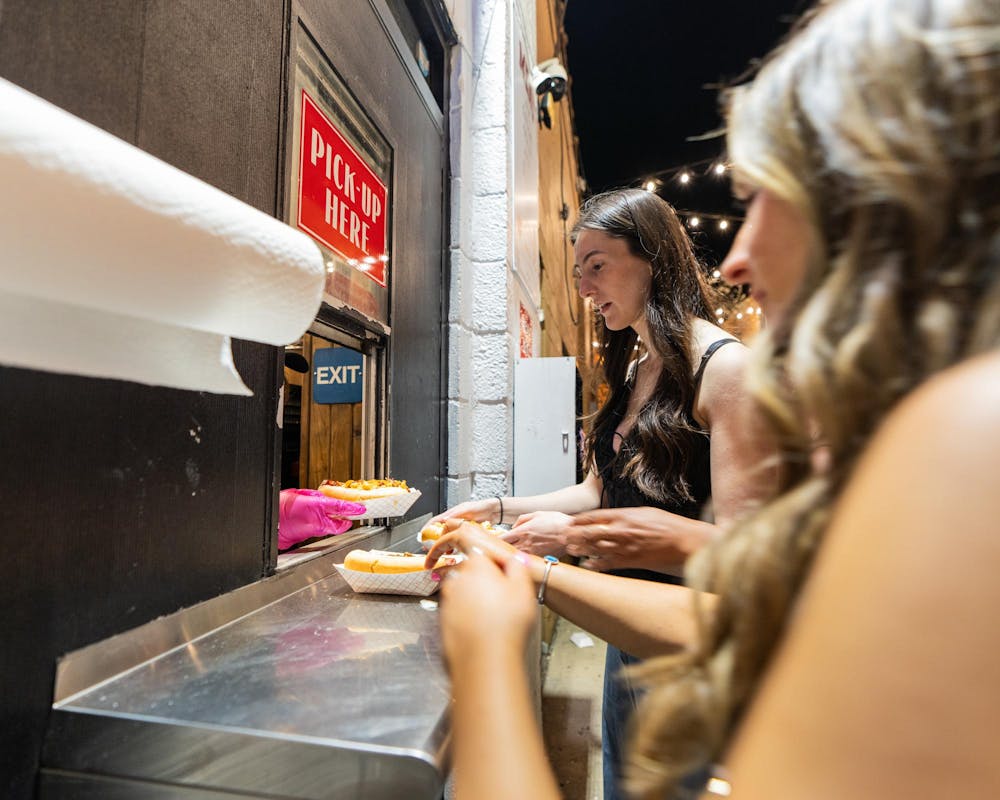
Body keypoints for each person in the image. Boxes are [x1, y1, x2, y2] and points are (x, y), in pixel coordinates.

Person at [426, 0, 1000, 797]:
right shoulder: (643, 373)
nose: (735, 257)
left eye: (769, 192)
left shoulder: (962, 440)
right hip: (635, 629)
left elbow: (732, 589)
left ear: (882, 195)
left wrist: (491, 644)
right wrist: (511, 529)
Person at [431, 188, 772, 798]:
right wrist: (503, 507)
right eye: (578, 271)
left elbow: (744, 559)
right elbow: (599, 489)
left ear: (655, 260)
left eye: (598, 265)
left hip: (682, 642)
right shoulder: (642, 367)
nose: (585, 289)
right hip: (623, 622)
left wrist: (562, 547)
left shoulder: (726, 369)